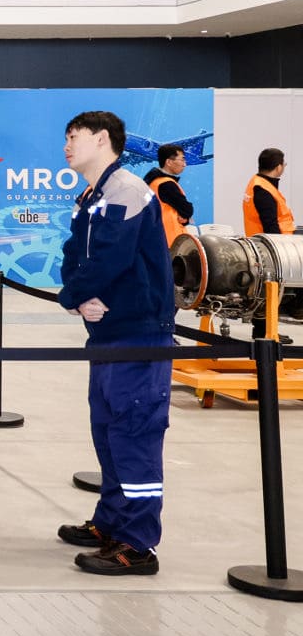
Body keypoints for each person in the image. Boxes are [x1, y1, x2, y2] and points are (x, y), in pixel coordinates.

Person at [56, 110, 175, 576]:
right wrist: (77, 296)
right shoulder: (91, 196)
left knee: (134, 433)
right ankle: (110, 522)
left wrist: (76, 295)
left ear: (102, 139)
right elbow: (73, 253)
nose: (67, 146)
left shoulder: (127, 190)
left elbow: (112, 257)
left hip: (138, 333)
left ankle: (137, 543)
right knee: (108, 431)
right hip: (107, 333)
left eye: (74, 136)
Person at [241, 148, 302, 332]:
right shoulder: (263, 188)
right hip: (271, 247)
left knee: (266, 291)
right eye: (284, 164)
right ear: (278, 167)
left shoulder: (259, 183)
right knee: (268, 292)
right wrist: (281, 249)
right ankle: (265, 333)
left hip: (266, 244)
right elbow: (270, 223)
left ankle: (266, 332)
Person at [143, 144, 193, 250]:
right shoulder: (166, 184)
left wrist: (185, 216)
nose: (184, 164)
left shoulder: (152, 182)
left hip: (156, 238)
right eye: (182, 159)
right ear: (169, 162)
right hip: (170, 240)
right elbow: (187, 209)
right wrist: (185, 215)